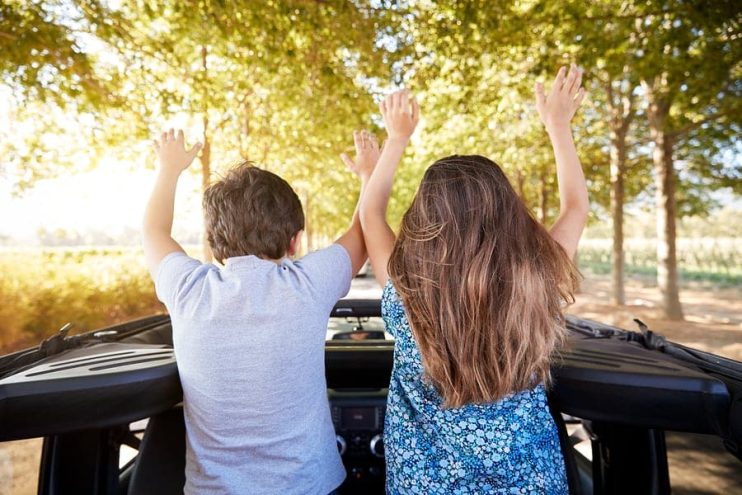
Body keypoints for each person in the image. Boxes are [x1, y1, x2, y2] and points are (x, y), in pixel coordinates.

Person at [358, 64, 588, 494]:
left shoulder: (405, 290)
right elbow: (575, 206)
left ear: (424, 218)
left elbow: (371, 212)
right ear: (510, 215)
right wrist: (559, 126)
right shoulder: (537, 276)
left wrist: (396, 139)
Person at [141, 128, 379, 494]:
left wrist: (168, 169)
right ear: (295, 241)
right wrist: (368, 175)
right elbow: (363, 233)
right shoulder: (309, 285)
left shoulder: (187, 289)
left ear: (213, 241)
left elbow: (153, 231)